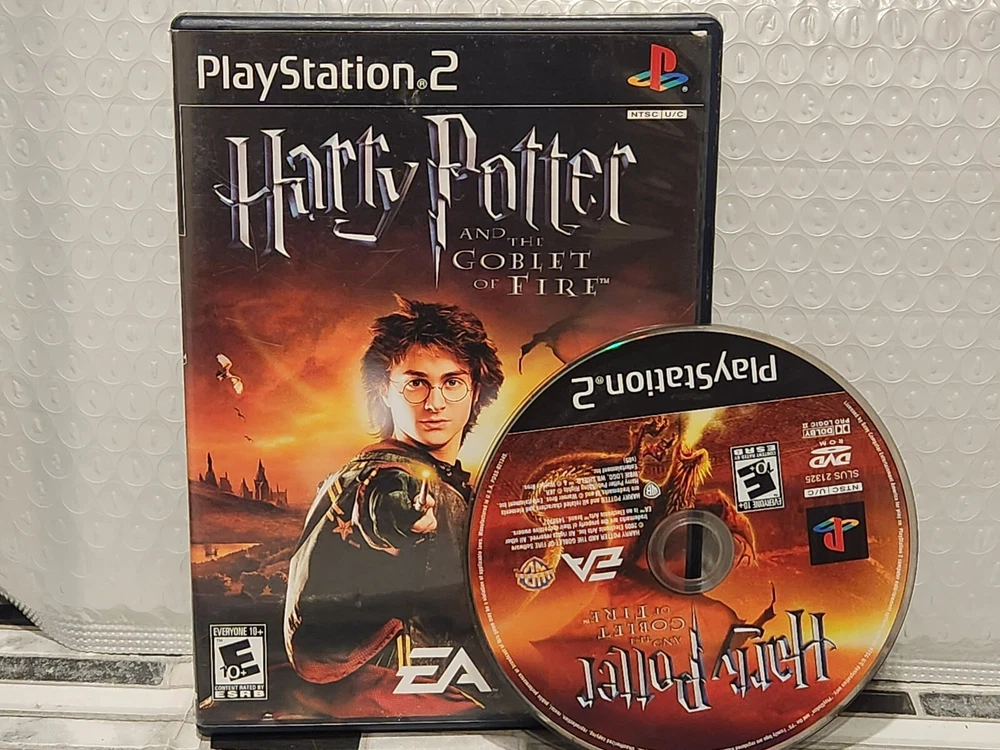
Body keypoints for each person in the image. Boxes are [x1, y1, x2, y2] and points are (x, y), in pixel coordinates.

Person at [281, 295, 504, 715]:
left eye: (452, 382)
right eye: (416, 383)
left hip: (449, 694)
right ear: (385, 390)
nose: (435, 403)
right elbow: (384, 501)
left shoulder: (453, 483)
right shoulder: (384, 474)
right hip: (402, 701)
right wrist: (404, 520)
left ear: (475, 390)